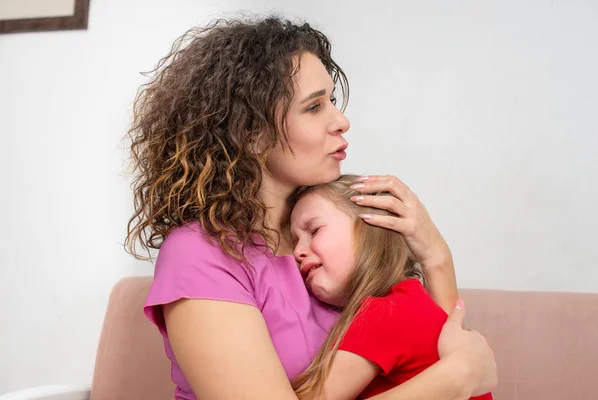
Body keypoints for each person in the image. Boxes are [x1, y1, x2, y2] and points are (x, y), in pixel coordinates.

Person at [125, 16, 497, 400]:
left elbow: (424, 343)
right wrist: (455, 378)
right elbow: (455, 372)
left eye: (332, 101)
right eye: (314, 106)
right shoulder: (201, 254)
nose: (341, 121)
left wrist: (435, 253)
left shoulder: (337, 235)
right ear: (250, 133)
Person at [288, 175, 494, 400]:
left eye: (315, 230)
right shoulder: (412, 301)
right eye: (295, 241)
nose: (298, 252)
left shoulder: (387, 312)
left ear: (369, 227)